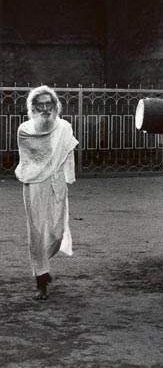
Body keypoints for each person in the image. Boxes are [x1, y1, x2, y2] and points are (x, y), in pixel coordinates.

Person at [15, 85, 78, 300]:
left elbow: (67, 154)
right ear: (32, 107)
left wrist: (67, 176)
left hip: (56, 183)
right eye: (39, 104)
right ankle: (40, 279)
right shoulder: (25, 129)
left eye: (48, 104)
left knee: (57, 232)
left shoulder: (65, 127)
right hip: (34, 185)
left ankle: (44, 264)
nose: (44, 108)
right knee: (37, 232)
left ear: (55, 105)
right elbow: (33, 160)